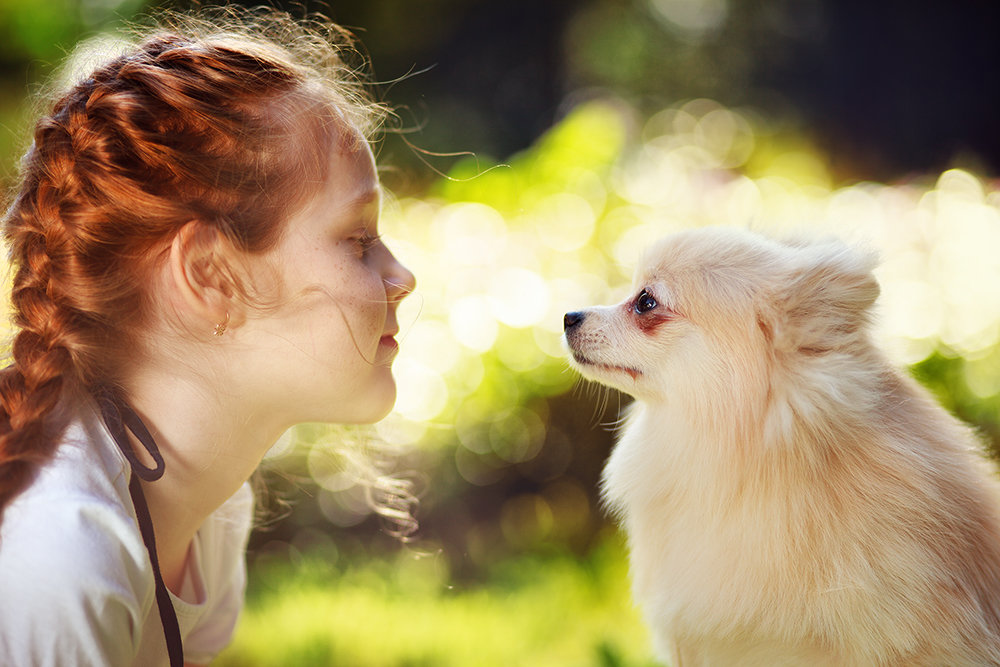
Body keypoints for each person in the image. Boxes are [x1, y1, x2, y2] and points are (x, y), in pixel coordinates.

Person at [0, 8, 415, 666]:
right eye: (358, 240)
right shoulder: (63, 557)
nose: (402, 277)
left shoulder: (206, 510)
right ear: (209, 276)